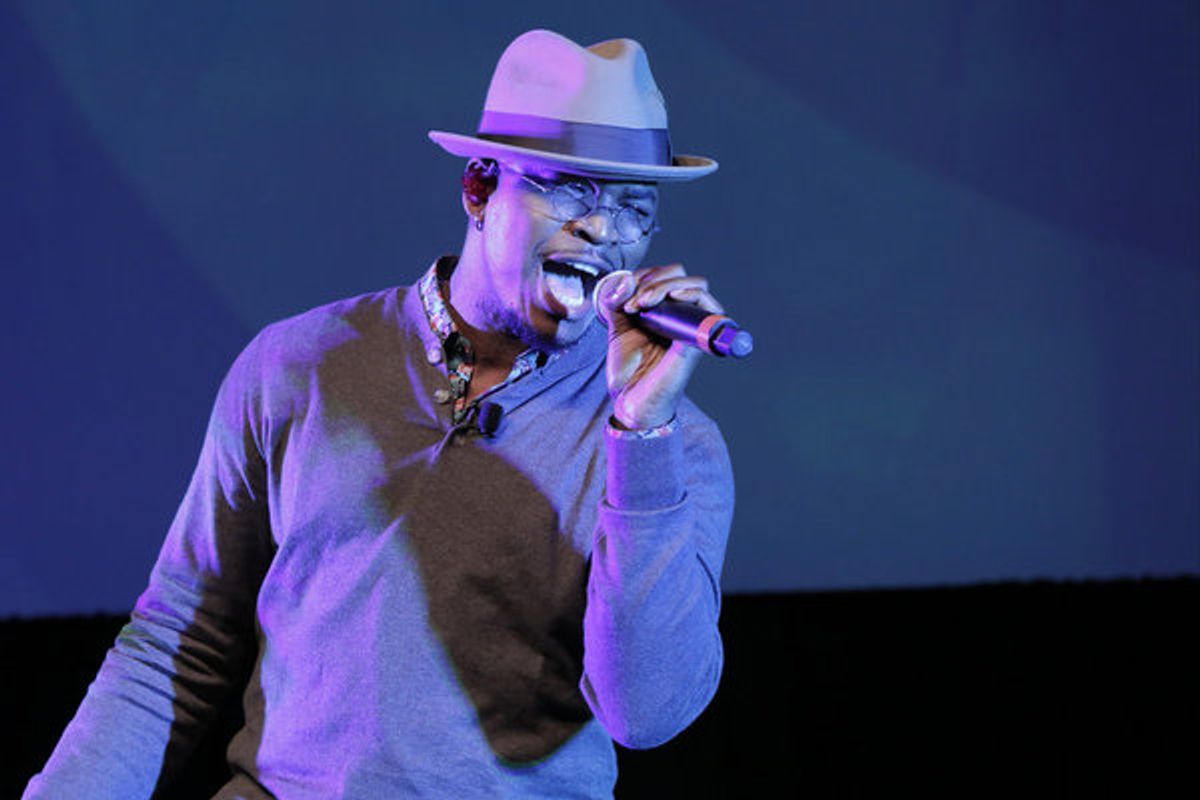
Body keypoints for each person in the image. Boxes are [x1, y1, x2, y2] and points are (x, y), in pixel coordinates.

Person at [25, 29, 734, 799]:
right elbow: (180, 640)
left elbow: (647, 714)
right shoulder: (296, 364)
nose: (603, 233)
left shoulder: (672, 449)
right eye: (570, 191)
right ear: (479, 189)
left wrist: (639, 436)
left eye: (634, 208)